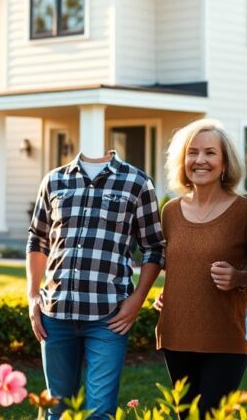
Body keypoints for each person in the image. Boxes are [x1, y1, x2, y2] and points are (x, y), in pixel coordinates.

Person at [26, 150, 165, 420]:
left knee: (99, 413)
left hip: (109, 318)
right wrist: (32, 295)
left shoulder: (137, 182)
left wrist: (137, 299)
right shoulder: (54, 180)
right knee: (58, 410)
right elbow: (38, 240)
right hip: (55, 315)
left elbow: (155, 247)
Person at [153, 119, 247, 418]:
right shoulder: (170, 211)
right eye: (192, 152)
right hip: (176, 334)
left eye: (210, 153)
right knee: (186, 415)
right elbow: (176, 265)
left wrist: (239, 277)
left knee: (211, 414)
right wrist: (168, 293)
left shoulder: (244, 211)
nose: (200, 160)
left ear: (225, 163)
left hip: (226, 336)